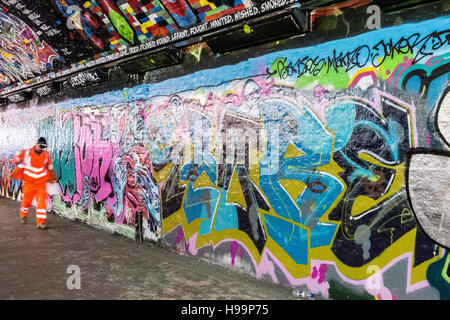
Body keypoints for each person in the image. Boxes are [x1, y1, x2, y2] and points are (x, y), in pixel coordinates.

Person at [10, 137, 56, 229]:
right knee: (27, 202)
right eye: (41, 146)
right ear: (37, 144)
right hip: (29, 183)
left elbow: (50, 168)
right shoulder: (26, 153)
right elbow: (14, 160)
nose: (42, 148)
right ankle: (23, 215)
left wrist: (52, 179)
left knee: (42, 201)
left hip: (41, 183)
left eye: (44, 147)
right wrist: (16, 161)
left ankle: (41, 222)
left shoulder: (46, 155)